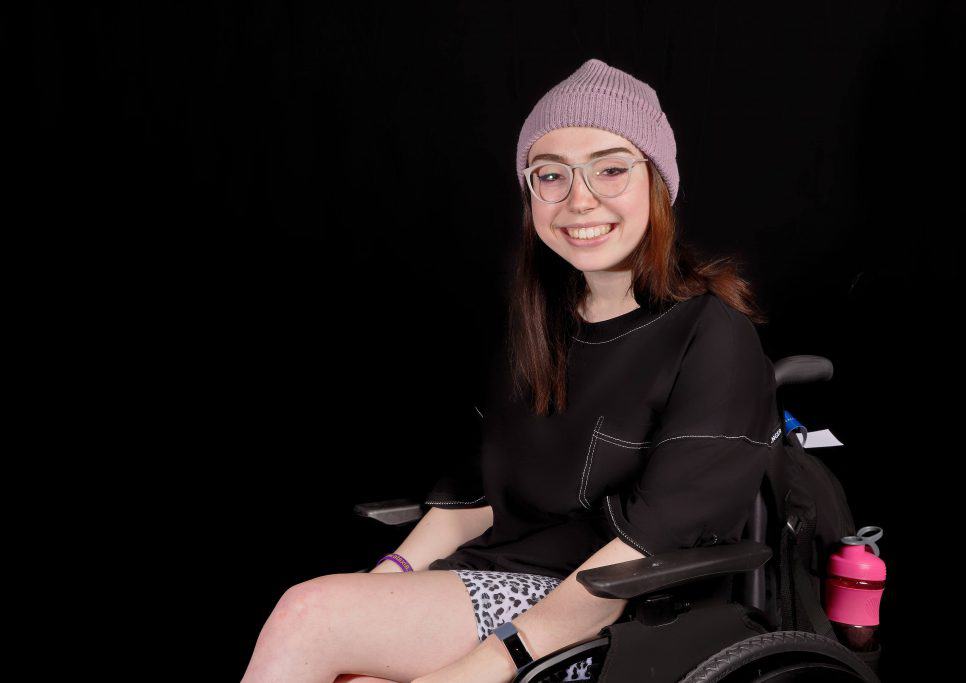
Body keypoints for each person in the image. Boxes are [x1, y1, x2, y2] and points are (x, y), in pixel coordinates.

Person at [241, 57, 783, 683]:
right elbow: (479, 493)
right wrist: (387, 578)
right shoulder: (539, 327)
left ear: (658, 182)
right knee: (344, 658)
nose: (580, 200)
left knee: (309, 615)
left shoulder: (712, 335)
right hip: (496, 578)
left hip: (617, 615)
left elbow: (656, 543)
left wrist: (485, 666)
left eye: (610, 169)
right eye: (551, 175)